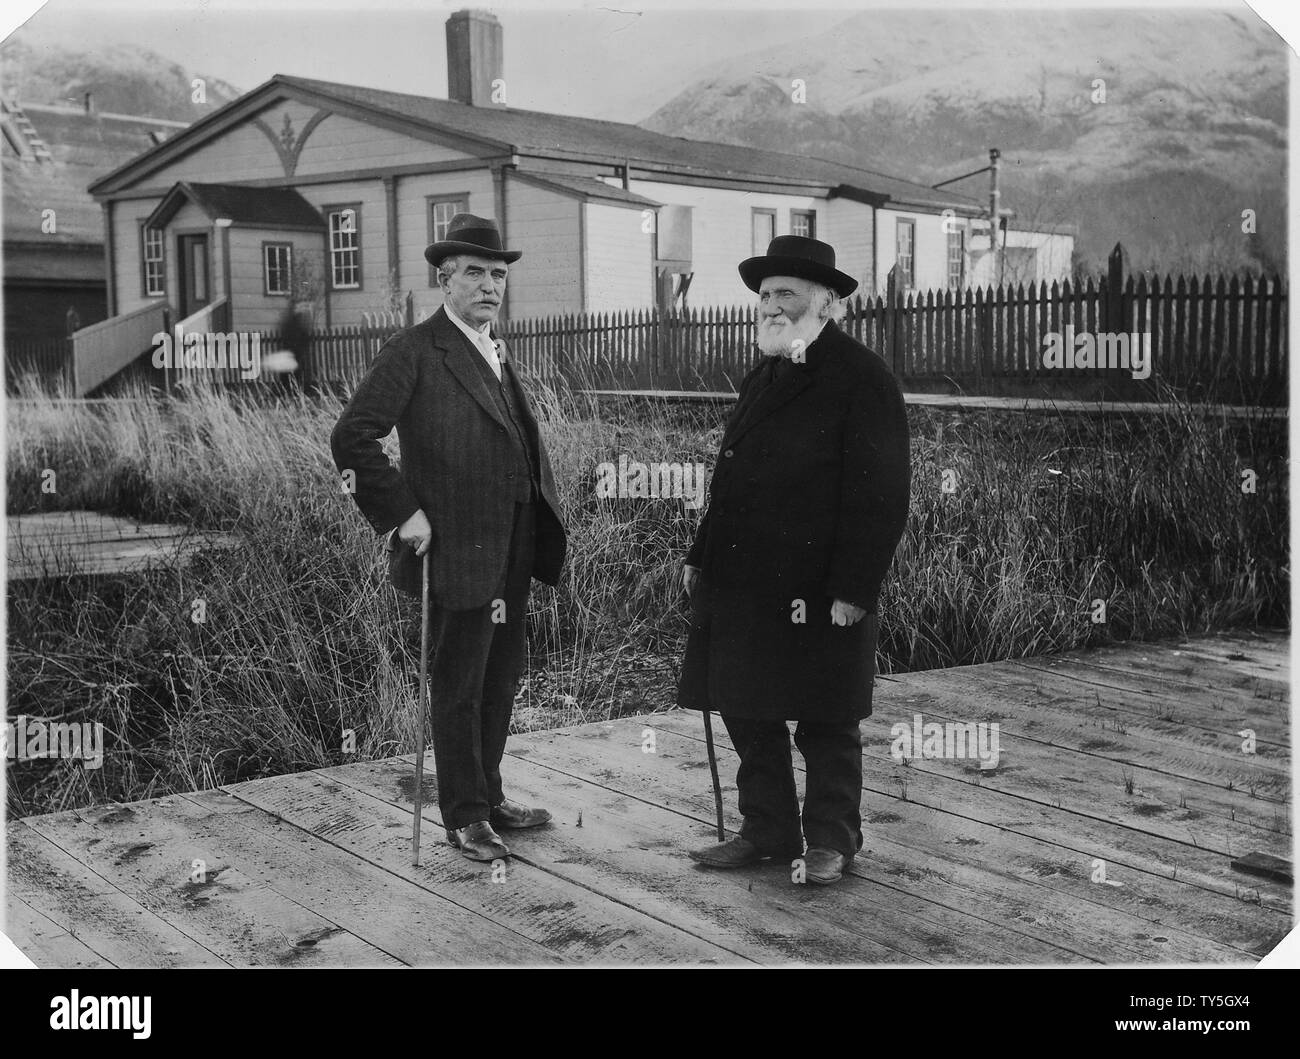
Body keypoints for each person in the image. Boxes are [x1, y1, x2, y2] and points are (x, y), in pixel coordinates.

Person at [331, 214, 567, 863]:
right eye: (476, 273)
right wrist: (402, 513)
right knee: (459, 680)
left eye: (498, 274)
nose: (490, 285)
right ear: (445, 278)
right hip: (454, 547)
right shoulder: (416, 349)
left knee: (501, 675)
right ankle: (464, 816)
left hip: (515, 538)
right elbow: (351, 438)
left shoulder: (492, 345)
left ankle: (488, 795)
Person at [677, 234, 911, 885]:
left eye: (787, 293)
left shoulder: (862, 378)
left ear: (827, 302)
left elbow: (882, 495)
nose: (771, 305)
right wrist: (700, 552)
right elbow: (732, 475)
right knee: (746, 704)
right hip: (747, 580)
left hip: (821, 583)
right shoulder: (766, 372)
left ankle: (833, 838)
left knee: (825, 713)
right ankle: (769, 828)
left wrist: (854, 587)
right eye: (765, 293)